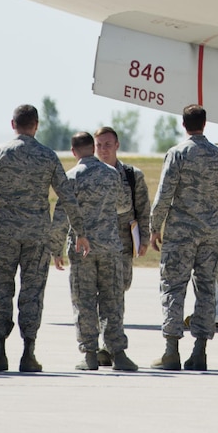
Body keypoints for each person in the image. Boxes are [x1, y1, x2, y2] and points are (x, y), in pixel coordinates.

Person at [0, 103, 64, 373]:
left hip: (4, 235)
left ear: (13, 125)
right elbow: (67, 195)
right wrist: (65, 233)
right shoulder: (48, 156)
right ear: (36, 125)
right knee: (32, 293)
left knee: (0, 290)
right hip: (37, 236)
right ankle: (28, 353)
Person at [150, 104, 218, 371]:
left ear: (184, 124)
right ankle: (200, 351)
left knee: (173, 288)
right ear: (204, 124)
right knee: (206, 289)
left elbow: (164, 194)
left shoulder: (177, 153)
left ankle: (171, 351)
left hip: (181, 234)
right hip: (210, 233)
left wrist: (154, 226)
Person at [61, 131, 134, 372]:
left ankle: (90, 354)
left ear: (73, 152)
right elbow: (124, 205)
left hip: (83, 250)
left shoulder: (69, 178)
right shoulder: (112, 174)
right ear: (93, 148)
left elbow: (61, 216)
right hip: (110, 246)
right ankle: (119, 354)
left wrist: (54, 248)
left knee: (84, 301)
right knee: (112, 300)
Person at [91, 124, 149, 368]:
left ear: (117, 146)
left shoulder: (131, 175)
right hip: (95, 247)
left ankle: (109, 345)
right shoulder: (89, 174)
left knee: (117, 296)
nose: (103, 149)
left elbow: (143, 209)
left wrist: (144, 238)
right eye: (99, 145)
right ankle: (99, 347)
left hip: (123, 247)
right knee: (92, 297)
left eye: (107, 144)